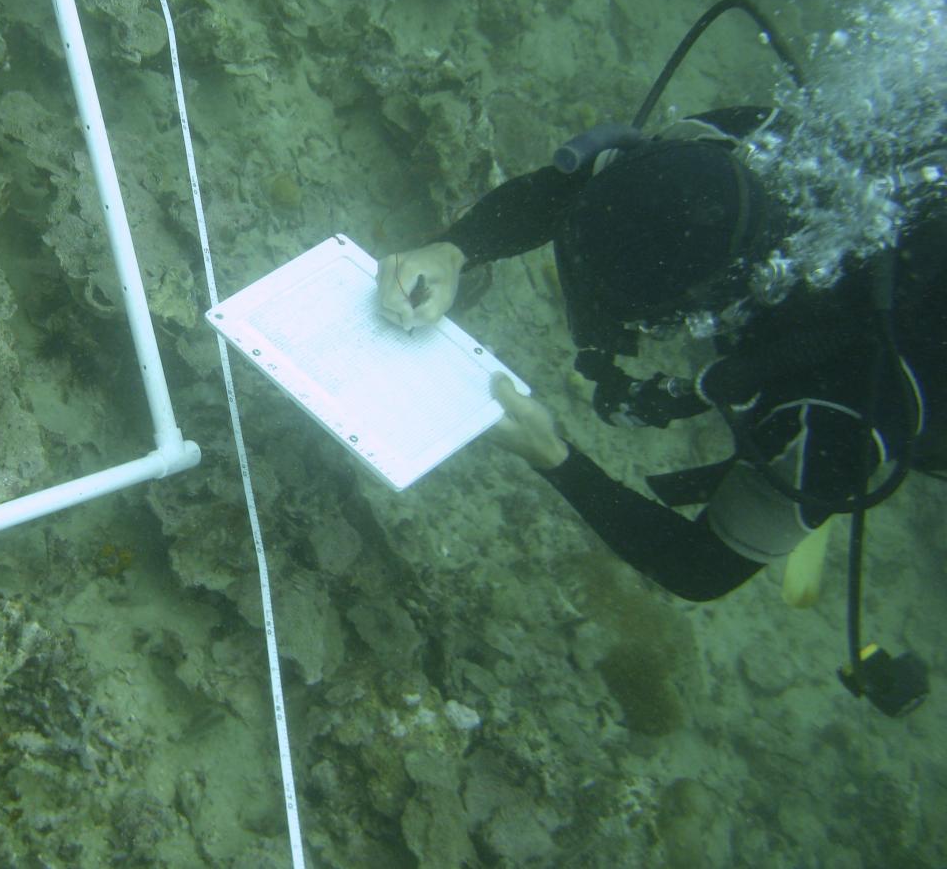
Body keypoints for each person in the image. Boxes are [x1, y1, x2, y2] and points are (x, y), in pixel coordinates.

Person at [376, 107, 947, 616]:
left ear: (698, 309)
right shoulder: (728, 151)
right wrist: (453, 250)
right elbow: (564, 191)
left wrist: (551, 454)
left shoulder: (840, 412)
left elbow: (699, 568)